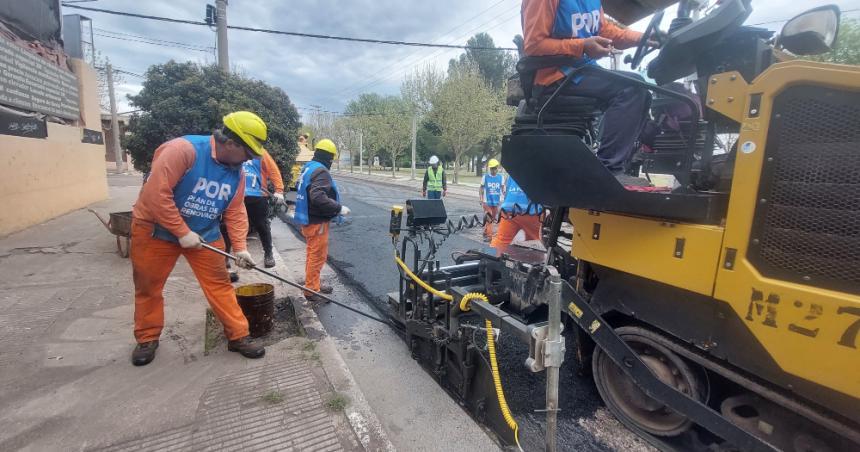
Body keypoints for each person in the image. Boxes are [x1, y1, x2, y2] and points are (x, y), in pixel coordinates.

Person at [129, 111, 268, 366]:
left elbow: (235, 209)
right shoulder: (183, 150)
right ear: (231, 143)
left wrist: (240, 248)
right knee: (148, 286)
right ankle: (147, 337)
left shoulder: (236, 171)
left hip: (204, 233)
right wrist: (181, 232)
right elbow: (156, 195)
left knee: (220, 284)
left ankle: (239, 335)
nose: (249, 159)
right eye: (248, 152)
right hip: (155, 230)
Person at [522, 0, 657, 184]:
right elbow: (534, 45)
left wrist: (644, 38)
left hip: (582, 71)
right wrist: (582, 46)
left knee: (642, 91)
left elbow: (607, 31)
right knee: (632, 89)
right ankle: (608, 172)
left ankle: (620, 166)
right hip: (555, 78)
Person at [294, 139, 351, 303]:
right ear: (329, 157)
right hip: (316, 221)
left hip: (308, 218)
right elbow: (318, 197)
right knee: (317, 255)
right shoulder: (321, 171)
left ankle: (312, 283)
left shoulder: (309, 167)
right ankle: (311, 290)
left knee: (312, 253)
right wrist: (338, 208)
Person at [490, 174, 543, 250]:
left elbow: (507, 190)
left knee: (501, 241)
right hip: (531, 211)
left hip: (509, 208)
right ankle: (534, 259)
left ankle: (491, 259)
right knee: (535, 243)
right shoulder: (540, 168)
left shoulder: (515, 166)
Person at [479, 159, 505, 242]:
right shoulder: (485, 177)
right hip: (487, 202)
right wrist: (481, 199)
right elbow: (481, 188)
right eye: (492, 168)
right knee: (489, 218)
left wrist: (505, 198)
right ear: (490, 169)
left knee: (493, 219)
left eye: (495, 168)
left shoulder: (501, 177)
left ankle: (486, 232)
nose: (493, 170)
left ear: (497, 168)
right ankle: (489, 237)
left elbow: (503, 189)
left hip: (496, 202)